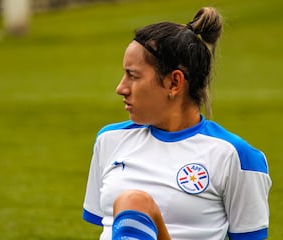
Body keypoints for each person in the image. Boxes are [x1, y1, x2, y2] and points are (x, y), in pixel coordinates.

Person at [82, 6, 272, 240]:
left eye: (133, 76)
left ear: (174, 82)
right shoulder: (109, 141)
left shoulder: (236, 156)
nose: (120, 88)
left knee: (134, 202)